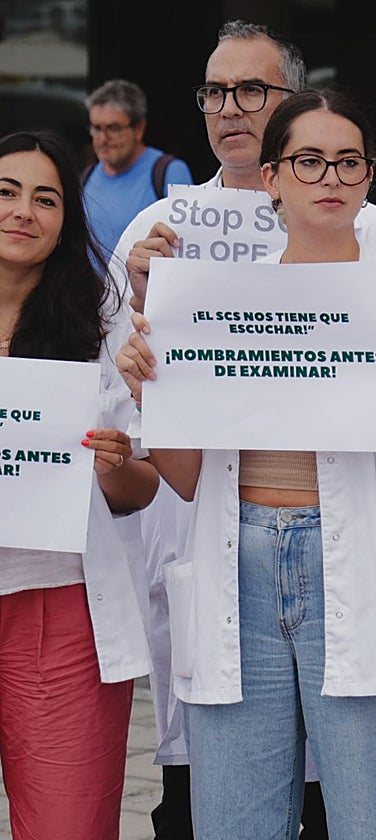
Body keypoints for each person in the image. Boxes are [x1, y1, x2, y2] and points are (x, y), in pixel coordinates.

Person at [116, 90, 376, 838]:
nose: (331, 178)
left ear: (370, 177)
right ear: (273, 178)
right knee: (236, 822)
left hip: (364, 579)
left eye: (349, 161)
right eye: (309, 161)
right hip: (238, 572)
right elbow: (185, 478)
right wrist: (153, 394)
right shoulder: (218, 299)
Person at [0, 130, 158, 838]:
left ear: (67, 220)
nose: (22, 211)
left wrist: (113, 465)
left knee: (67, 824)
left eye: (46, 198)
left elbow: (142, 484)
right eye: (6, 192)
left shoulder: (100, 321)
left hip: (61, 611)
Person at [83, 79, 193, 260]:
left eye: (113, 128)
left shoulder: (169, 172)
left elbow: (184, 245)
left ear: (139, 129)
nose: (102, 139)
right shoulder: (87, 175)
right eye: (96, 128)